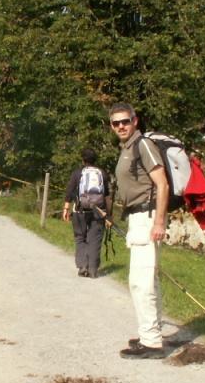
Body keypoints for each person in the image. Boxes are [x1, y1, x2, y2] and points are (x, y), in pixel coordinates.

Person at [109, 103, 169, 359]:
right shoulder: (127, 147)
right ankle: (150, 333)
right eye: (116, 123)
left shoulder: (142, 145)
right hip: (137, 216)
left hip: (147, 216)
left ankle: (152, 342)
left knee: (140, 282)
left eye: (125, 121)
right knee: (147, 280)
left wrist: (159, 222)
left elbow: (162, 184)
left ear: (135, 121)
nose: (121, 126)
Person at [62, 147, 111, 279]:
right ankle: (93, 270)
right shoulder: (102, 173)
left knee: (80, 237)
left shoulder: (78, 172)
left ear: (82, 159)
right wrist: (109, 214)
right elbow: (107, 196)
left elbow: (70, 191)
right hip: (99, 211)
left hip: (79, 210)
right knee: (95, 239)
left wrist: (66, 209)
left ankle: (83, 266)